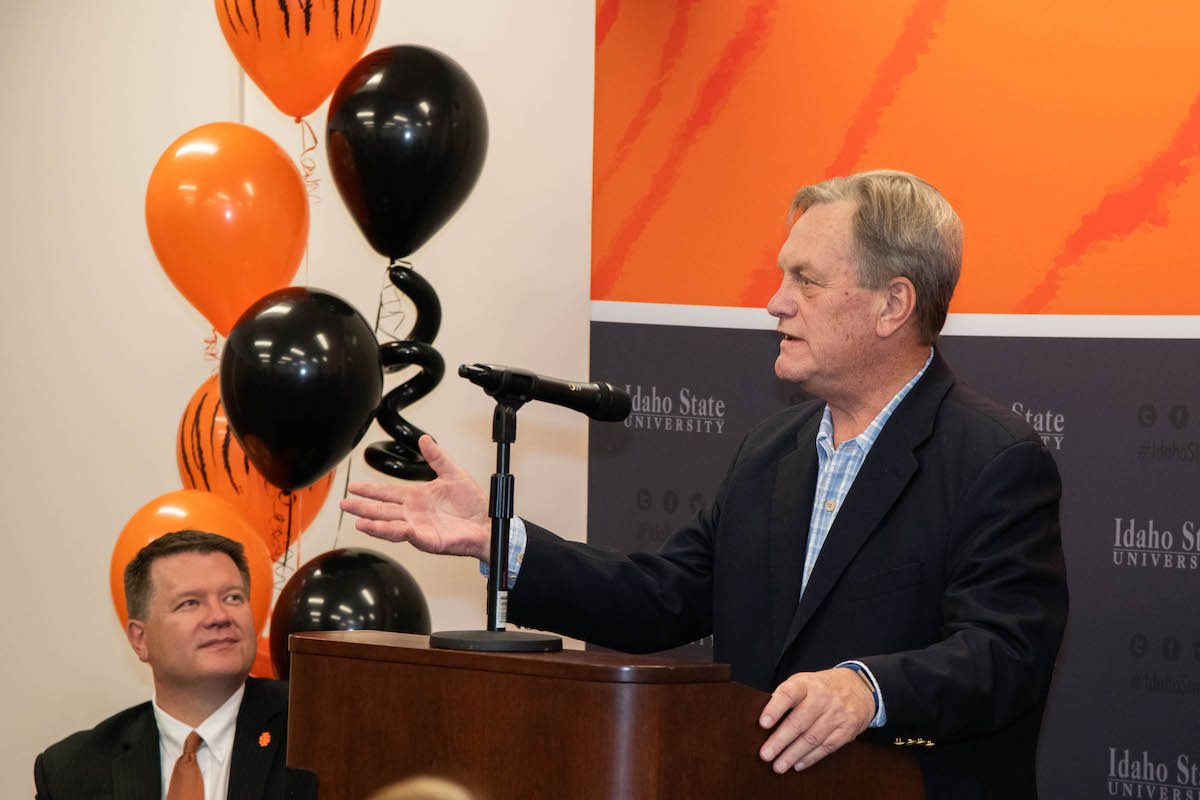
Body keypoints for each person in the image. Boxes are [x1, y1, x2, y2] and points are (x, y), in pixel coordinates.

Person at [340, 170, 1068, 799]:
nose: (774, 302)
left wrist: (865, 689)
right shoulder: (770, 450)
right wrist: (497, 541)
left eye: (805, 280)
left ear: (893, 304)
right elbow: (664, 597)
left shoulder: (993, 459)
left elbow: (1006, 654)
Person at [34, 530, 289, 800]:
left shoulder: (317, 725)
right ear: (140, 639)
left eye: (233, 598)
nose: (219, 616)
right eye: (190, 603)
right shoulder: (71, 771)